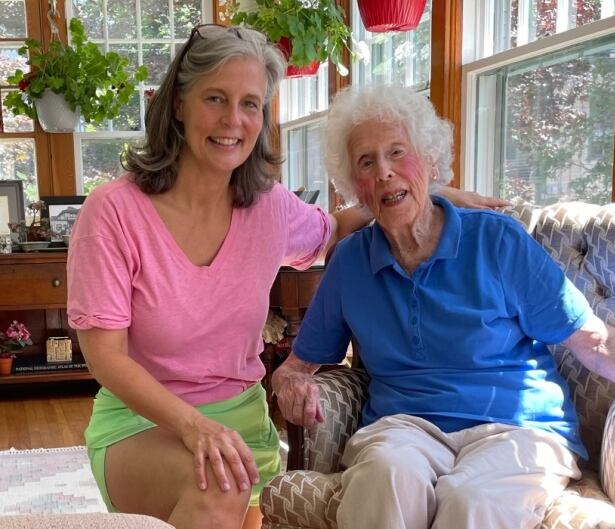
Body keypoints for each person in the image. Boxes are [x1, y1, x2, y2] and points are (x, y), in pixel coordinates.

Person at [66, 26, 504, 529]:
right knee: (219, 487)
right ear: (180, 105)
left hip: (245, 427)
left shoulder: (269, 207)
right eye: (216, 98)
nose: (234, 120)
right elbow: (106, 358)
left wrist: (428, 192)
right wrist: (194, 428)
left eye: (250, 104)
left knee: (229, 489)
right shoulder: (113, 212)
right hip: (143, 424)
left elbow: (335, 226)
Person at [272, 85, 615, 529]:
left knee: (471, 500)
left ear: (428, 162)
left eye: (397, 152)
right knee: (383, 476)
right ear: (356, 187)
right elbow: (297, 365)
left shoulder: (497, 240)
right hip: (404, 426)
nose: (385, 172)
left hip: (518, 427)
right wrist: (289, 382)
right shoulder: (350, 263)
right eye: (366, 162)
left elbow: (591, 338)